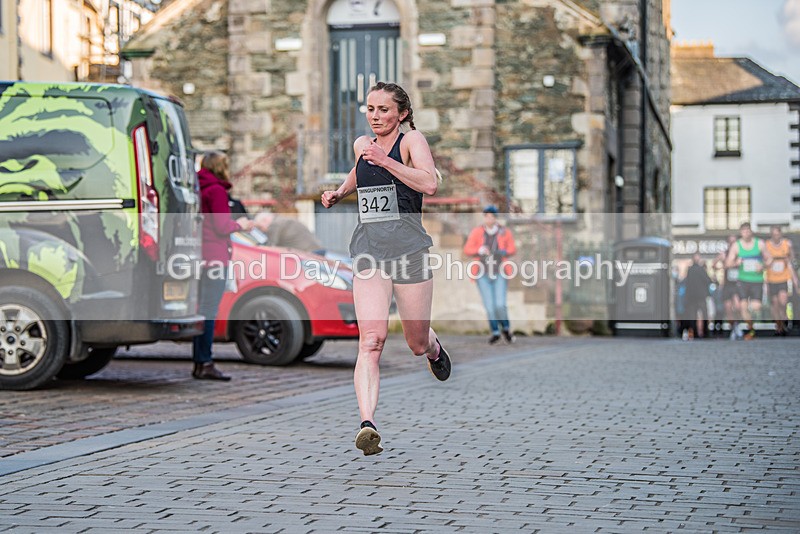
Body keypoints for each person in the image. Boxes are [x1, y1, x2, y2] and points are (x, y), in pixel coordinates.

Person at [320, 82, 451, 456]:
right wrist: (339, 192)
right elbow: (360, 171)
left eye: (383, 110)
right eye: (370, 109)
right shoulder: (363, 144)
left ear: (402, 114)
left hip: (408, 248)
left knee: (414, 341)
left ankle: (433, 348)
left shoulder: (412, 142)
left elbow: (430, 183)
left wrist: (386, 160)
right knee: (371, 340)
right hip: (369, 248)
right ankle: (367, 424)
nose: (375, 116)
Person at [193, 151, 253, 380]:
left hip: (201, 256)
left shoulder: (198, 188)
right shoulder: (217, 190)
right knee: (208, 310)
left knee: (201, 310)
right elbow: (221, 225)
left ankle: (199, 362)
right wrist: (242, 225)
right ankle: (205, 361)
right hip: (215, 256)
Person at [463, 205, 517, 344]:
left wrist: (501, 251)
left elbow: (512, 249)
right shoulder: (477, 232)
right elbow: (468, 249)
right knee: (489, 306)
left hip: (499, 271)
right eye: (486, 216)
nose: (489, 219)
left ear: (495, 218)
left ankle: (506, 328)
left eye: (491, 216)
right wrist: (479, 249)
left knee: (500, 304)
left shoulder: (504, 232)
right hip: (482, 273)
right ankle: (495, 332)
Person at [725, 222, 772, 340]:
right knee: (742, 307)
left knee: (756, 307)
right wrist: (736, 262)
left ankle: (750, 323)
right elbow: (727, 263)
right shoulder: (736, 245)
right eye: (743, 231)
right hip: (743, 280)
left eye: (748, 230)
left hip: (757, 279)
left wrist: (763, 266)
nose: (746, 233)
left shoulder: (759, 243)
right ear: (741, 232)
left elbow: (770, 259)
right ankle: (751, 330)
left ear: (751, 231)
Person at [765, 225, 798, 336]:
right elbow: (764, 261)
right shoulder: (767, 245)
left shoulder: (786, 244)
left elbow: (792, 261)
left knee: (783, 302)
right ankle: (778, 326)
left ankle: (784, 320)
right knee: (775, 303)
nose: (776, 236)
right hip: (771, 279)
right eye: (773, 234)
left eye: (777, 233)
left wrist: (795, 282)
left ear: (780, 234)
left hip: (784, 278)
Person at [252, 212, 325, 255]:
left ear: (265, 220)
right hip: (317, 249)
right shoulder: (284, 220)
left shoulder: (274, 225)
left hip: (308, 254)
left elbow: (270, 248)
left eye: (260, 227)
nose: (262, 231)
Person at [712, 235, 742, 339]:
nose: (732, 244)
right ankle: (733, 328)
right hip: (727, 285)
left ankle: (737, 325)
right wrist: (720, 267)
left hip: (737, 285)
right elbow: (714, 264)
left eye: (734, 242)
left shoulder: (740, 254)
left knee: (738, 306)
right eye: (730, 242)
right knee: (728, 309)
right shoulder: (724, 254)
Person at [682, 253, 713, 339]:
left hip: (692, 296)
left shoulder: (690, 270)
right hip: (701, 296)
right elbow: (708, 280)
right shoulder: (701, 269)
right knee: (704, 314)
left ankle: (694, 332)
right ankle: (705, 332)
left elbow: (687, 283)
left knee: (693, 315)